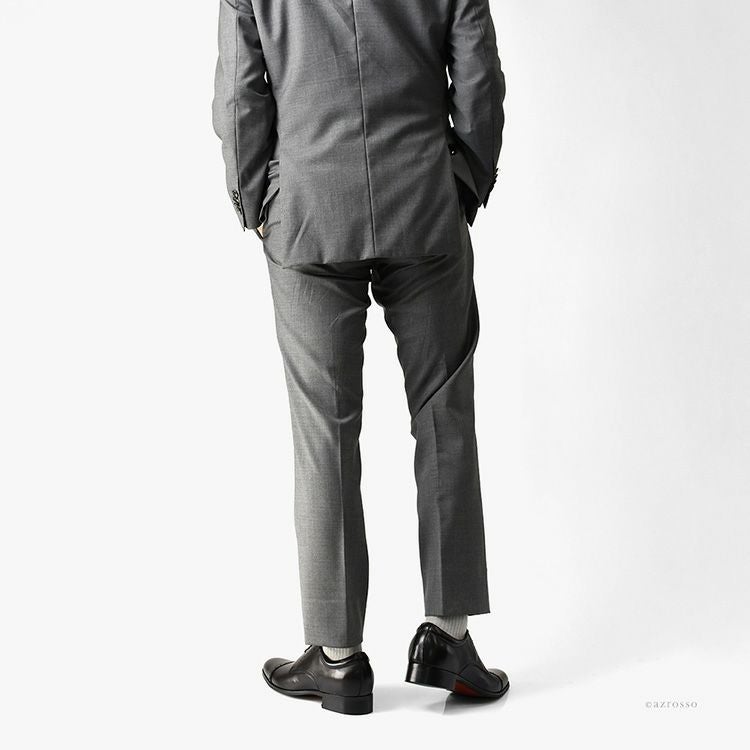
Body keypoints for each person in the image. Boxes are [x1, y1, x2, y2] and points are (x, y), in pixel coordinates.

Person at [212, 0, 509, 715]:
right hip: (424, 201)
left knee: (325, 433)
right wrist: (463, 178)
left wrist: (258, 201)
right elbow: (478, 73)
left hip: (309, 208)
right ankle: (450, 636)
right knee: (444, 416)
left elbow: (240, 94)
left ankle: (339, 660)